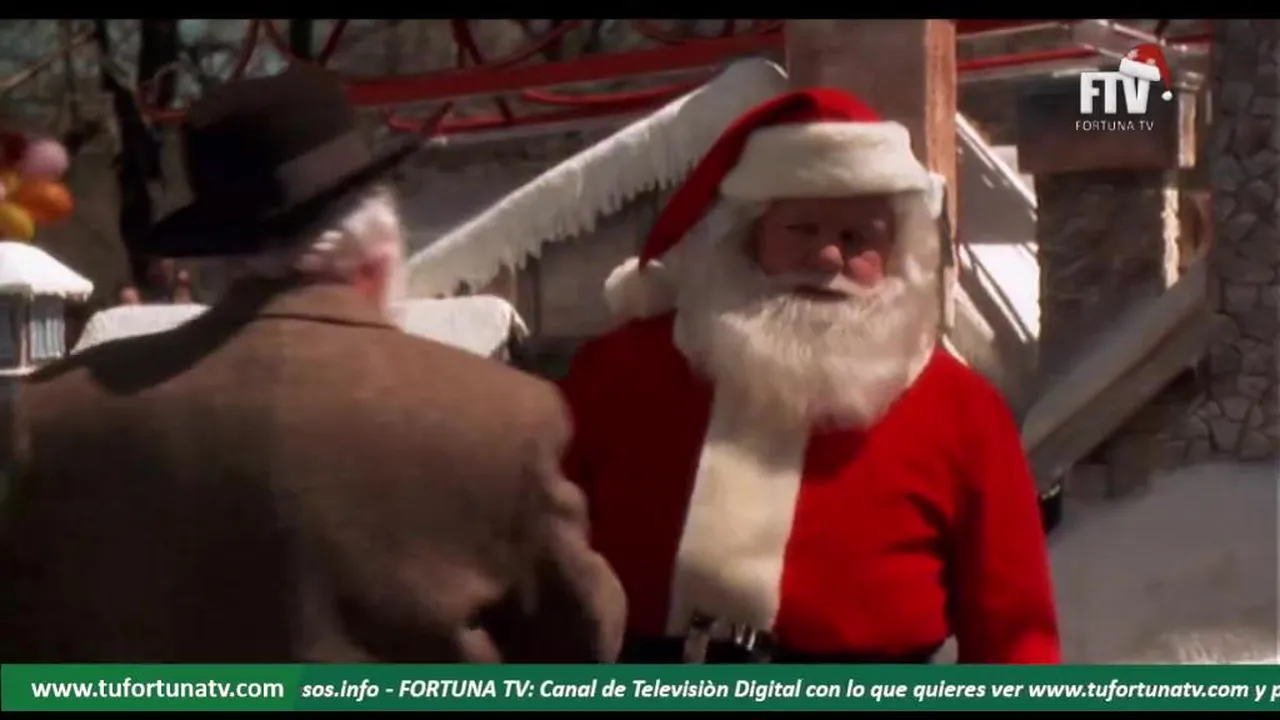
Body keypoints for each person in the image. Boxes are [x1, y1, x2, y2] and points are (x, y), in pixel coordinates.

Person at [0, 65, 625, 663]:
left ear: (217, 260)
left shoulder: (51, 416)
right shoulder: (503, 417)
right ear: (378, 261)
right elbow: (580, 644)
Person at [560, 89, 1060, 664]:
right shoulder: (622, 370)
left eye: (856, 238)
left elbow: (1015, 632)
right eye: (801, 229)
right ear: (748, 235)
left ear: (898, 253)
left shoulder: (962, 408)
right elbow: (534, 556)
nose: (826, 258)